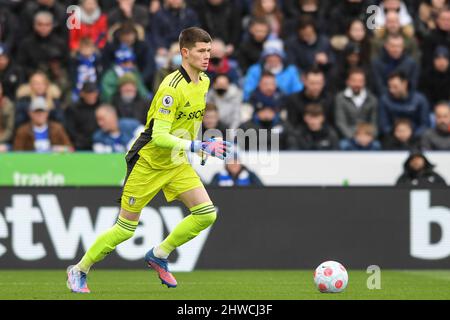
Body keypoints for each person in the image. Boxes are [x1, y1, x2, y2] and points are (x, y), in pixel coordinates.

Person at [66, 27, 231, 293]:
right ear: (185, 53)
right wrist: (195, 144)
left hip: (176, 162)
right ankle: (79, 269)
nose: (206, 56)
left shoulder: (205, 82)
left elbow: (192, 119)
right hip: (149, 161)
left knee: (206, 214)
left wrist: (200, 146)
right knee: (125, 229)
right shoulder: (170, 88)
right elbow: (160, 136)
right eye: (201, 51)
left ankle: (159, 253)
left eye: (209, 51)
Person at [378, 71, 430, 137]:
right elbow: (384, 126)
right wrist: (398, 135)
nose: (391, 90)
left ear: (405, 84)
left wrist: (412, 135)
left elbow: (425, 124)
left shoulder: (420, 100)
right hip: (393, 137)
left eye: (395, 87)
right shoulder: (385, 100)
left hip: (416, 137)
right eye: (390, 87)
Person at [334, 68, 378, 140]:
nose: (357, 84)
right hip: (348, 137)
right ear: (347, 82)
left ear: (364, 82)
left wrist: (370, 137)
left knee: (377, 146)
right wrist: (353, 137)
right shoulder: (340, 98)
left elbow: (374, 123)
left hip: (367, 137)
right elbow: (340, 123)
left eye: (360, 81)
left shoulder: (372, 99)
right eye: (354, 81)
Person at [64, 82, 100, 151]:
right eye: (89, 93)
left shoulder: (102, 107)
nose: (91, 95)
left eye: (94, 92)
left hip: (99, 144)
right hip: (79, 145)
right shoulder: (73, 109)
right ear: (82, 94)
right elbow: (70, 129)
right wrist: (81, 141)